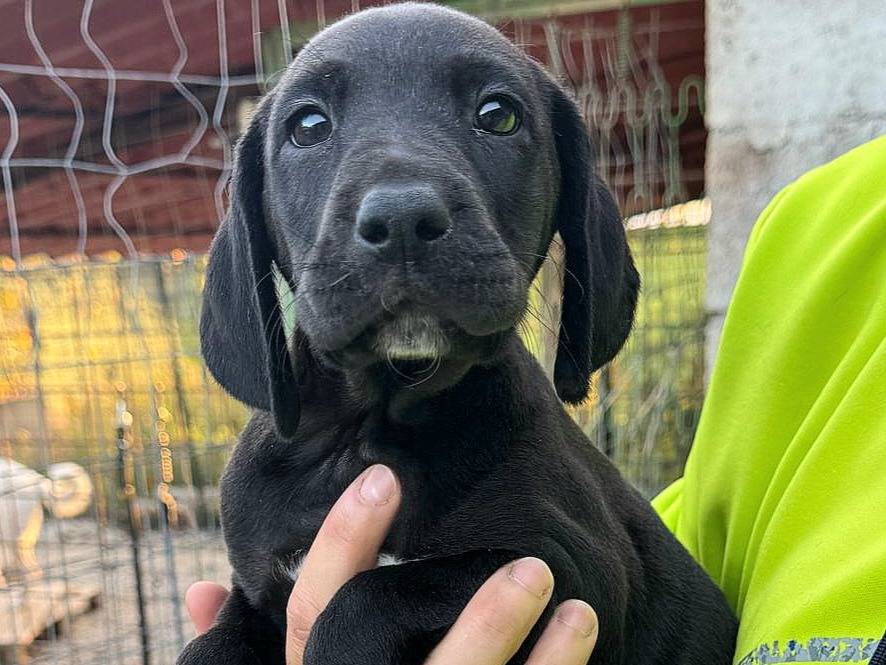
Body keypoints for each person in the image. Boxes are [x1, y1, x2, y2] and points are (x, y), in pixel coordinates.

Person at [186, 136, 886, 664]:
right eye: (308, 127)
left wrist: (367, 624)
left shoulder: (511, 456)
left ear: (564, 208)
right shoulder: (815, 227)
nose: (400, 204)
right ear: (261, 219)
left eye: (497, 117)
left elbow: (578, 585)